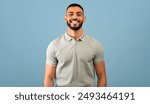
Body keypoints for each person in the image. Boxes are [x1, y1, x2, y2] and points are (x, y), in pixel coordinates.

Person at [44, 3, 107, 87]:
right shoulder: (54, 45)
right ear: (65, 18)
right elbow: (48, 77)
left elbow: (102, 77)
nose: (74, 17)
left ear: (84, 19)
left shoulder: (95, 45)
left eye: (79, 14)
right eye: (71, 14)